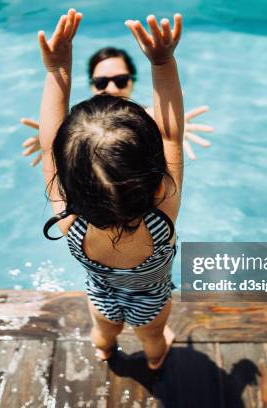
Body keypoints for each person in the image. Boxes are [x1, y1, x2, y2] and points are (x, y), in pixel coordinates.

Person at [36, 9, 184, 370]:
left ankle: (103, 349)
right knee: (153, 336)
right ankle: (154, 359)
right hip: (150, 297)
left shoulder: (69, 222)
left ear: (68, 182)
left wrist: (57, 70)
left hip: (101, 292)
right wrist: (163, 61)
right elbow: (170, 134)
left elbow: (47, 145)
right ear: (153, 176)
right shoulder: (162, 216)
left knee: (103, 329)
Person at [21, 47, 213, 166]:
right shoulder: (76, 128)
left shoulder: (152, 119)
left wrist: (170, 128)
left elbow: (159, 125)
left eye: (120, 80)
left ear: (132, 81)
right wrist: (57, 139)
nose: (111, 89)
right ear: (91, 84)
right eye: (101, 82)